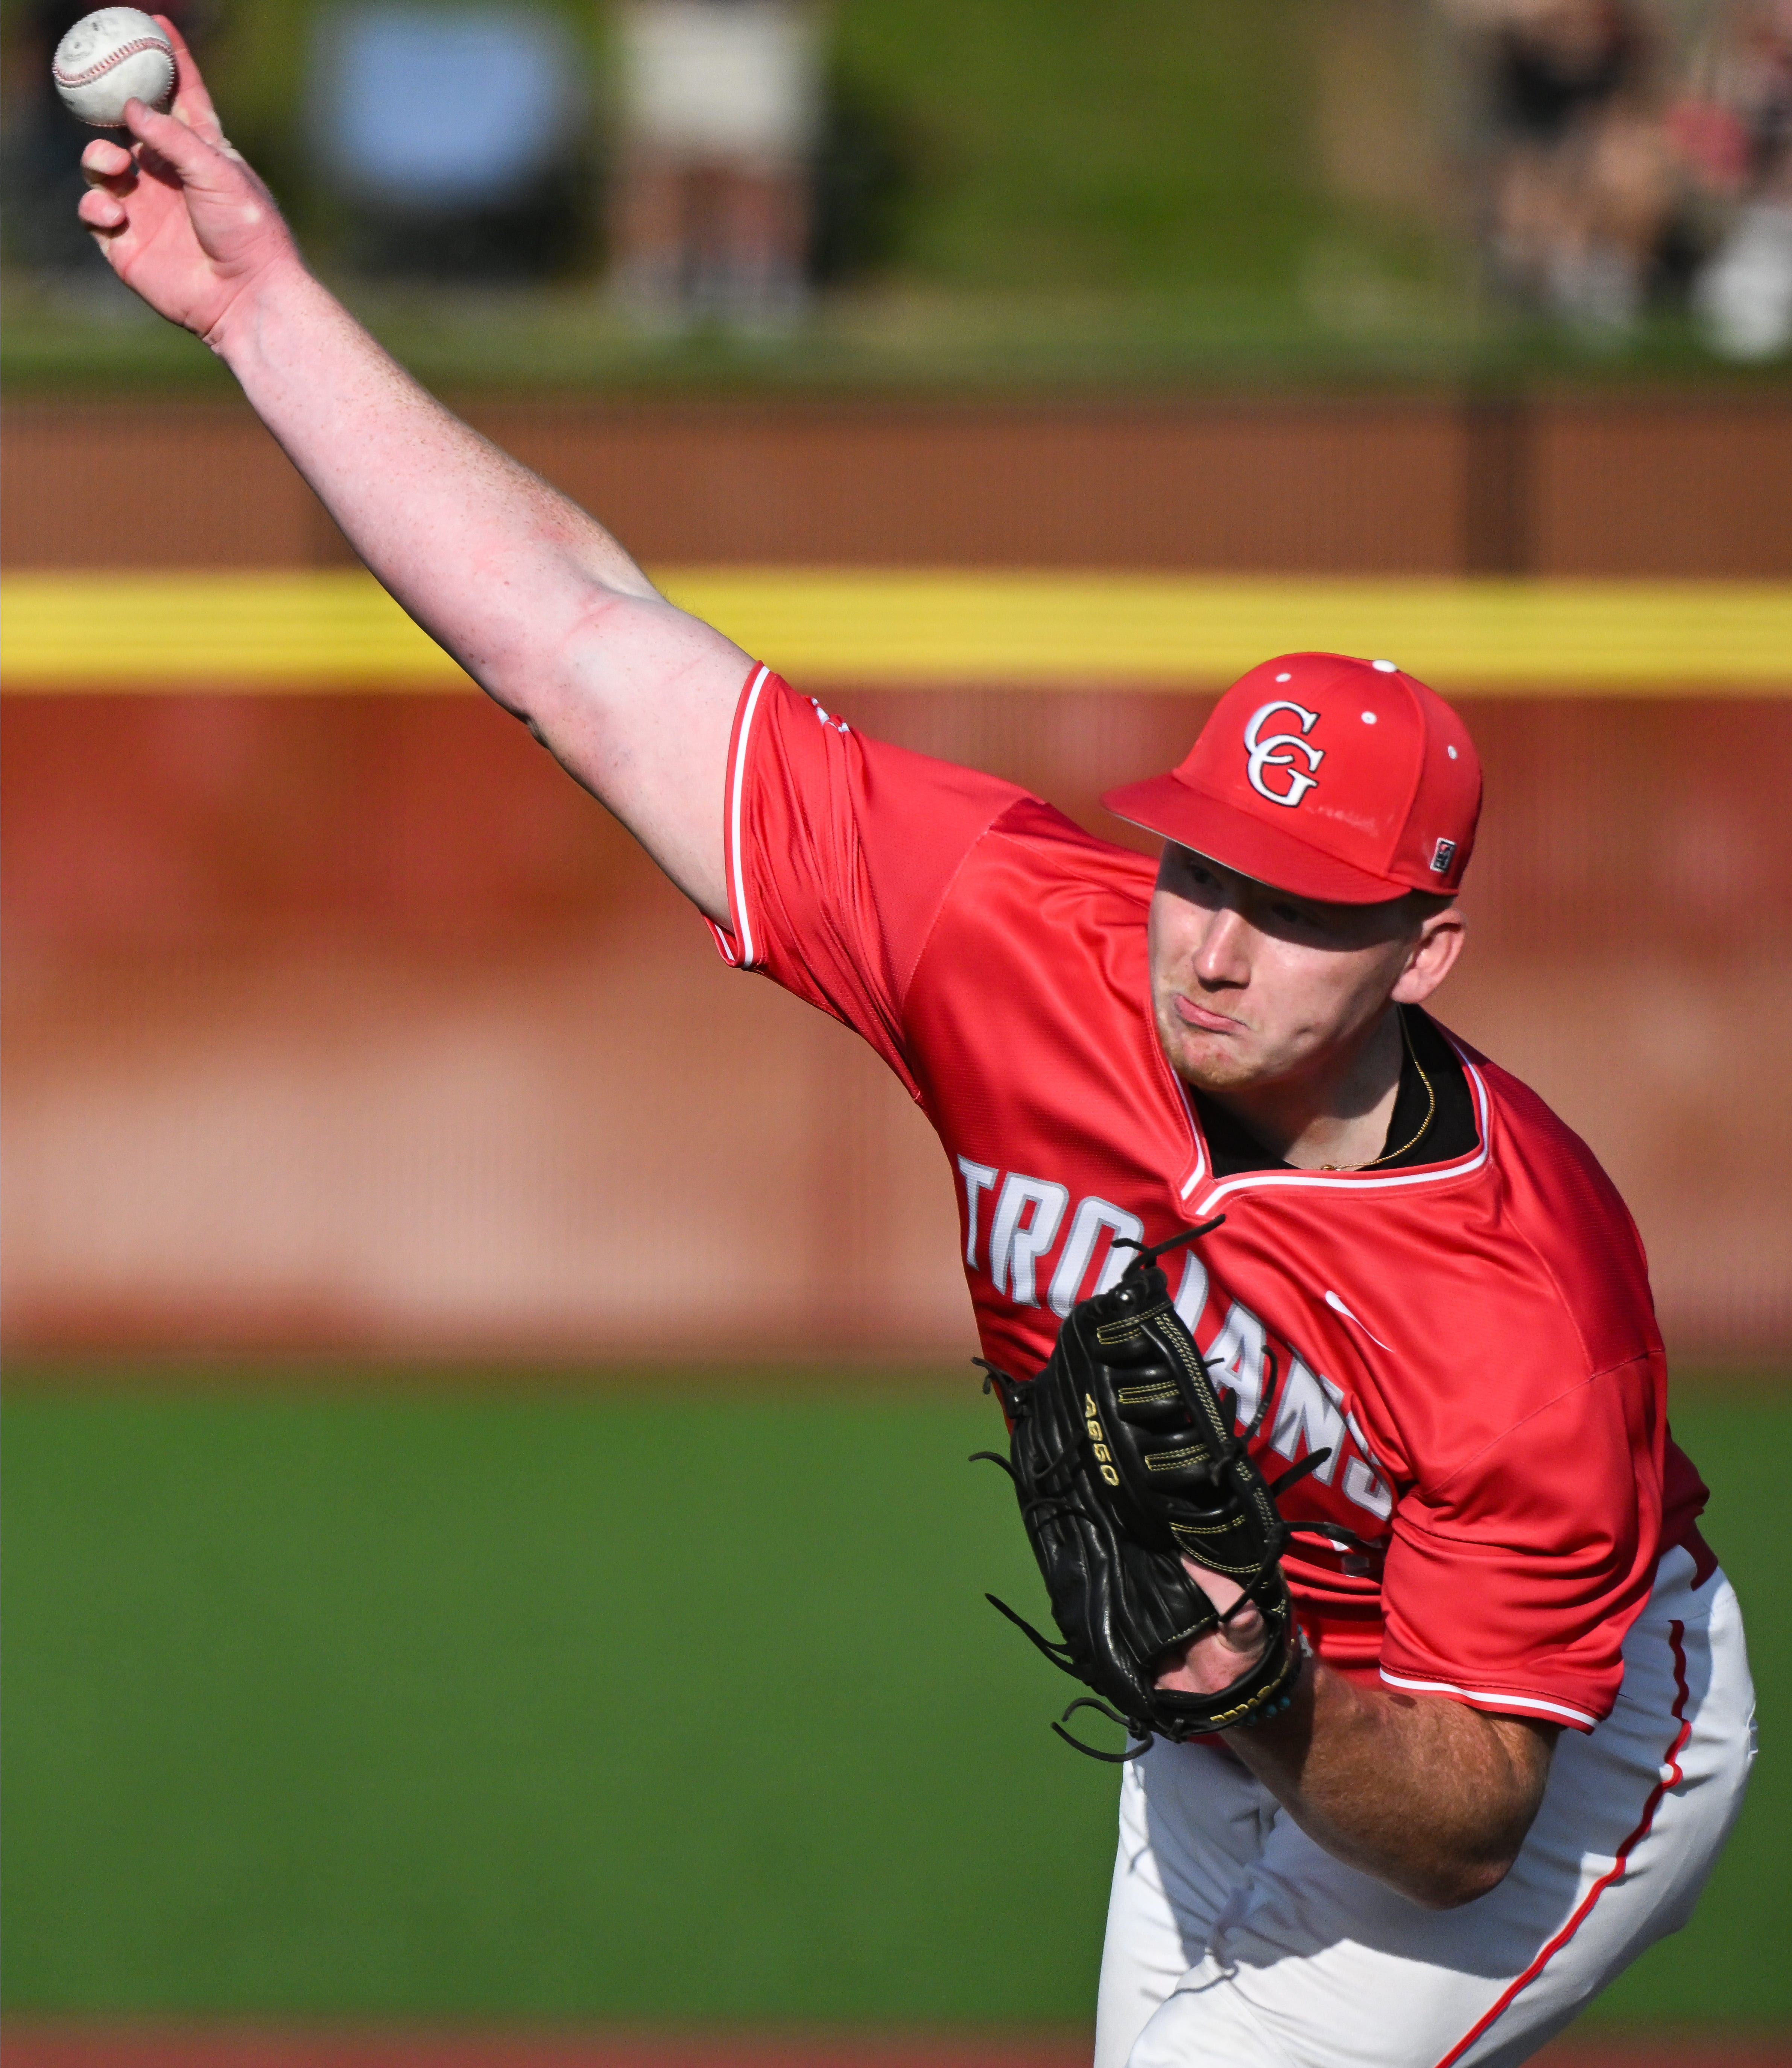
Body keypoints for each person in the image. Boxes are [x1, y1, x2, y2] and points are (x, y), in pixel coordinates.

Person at [74, 32, 1756, 2066]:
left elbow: (1465, 1826)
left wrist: (1261, 1695)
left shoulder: (1527, 1303)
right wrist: (261, 304)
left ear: (1429, 950)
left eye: (1306, 907)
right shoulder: (1014, 935)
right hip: (1230, 1691)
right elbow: (582, 647)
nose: (1218, 941)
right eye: (1206, 863)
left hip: (1540, 1744)